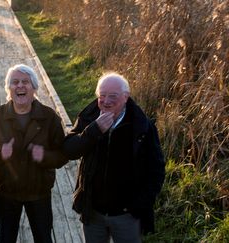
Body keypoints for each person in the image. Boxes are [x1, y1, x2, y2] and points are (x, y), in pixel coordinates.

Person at [63, 72, 165, 242]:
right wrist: (93, 131)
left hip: (126, 215)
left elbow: (157, 170)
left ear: (126, 97)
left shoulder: (142, 126)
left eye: (113, 96)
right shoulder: (89, 118)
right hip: (93, 212)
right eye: (102, 95)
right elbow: (69, 150)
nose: (106, 101)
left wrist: (139, 204)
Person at [0, 64, 68, 243]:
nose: (20, 86)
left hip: (39, 193)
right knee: (6, 238)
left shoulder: (50, 117)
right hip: (7, 193)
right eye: (14, 82)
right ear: (8, 89)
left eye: (25, 82)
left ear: (34, 88)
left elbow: (62, 155)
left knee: (43, 238)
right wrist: (0, 154)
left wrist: (44, 156)